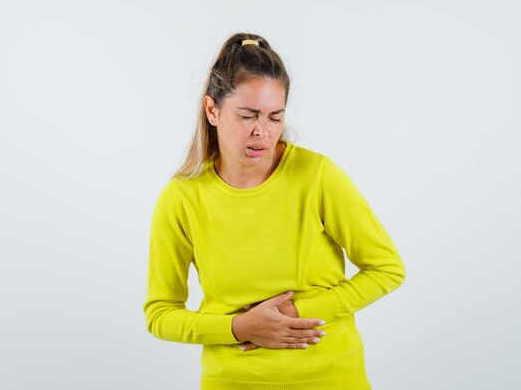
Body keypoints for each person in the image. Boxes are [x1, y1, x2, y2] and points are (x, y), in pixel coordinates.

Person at [143, 32, 406, 390]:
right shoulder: (181, 197)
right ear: (212, 110)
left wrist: (297, 312)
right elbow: (160, 314)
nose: (262, 132)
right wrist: (238, 329)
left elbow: (387, 269)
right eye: (248, 115)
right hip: (233, 381)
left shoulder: (317, 176)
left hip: (330, 379)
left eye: (274, 117)